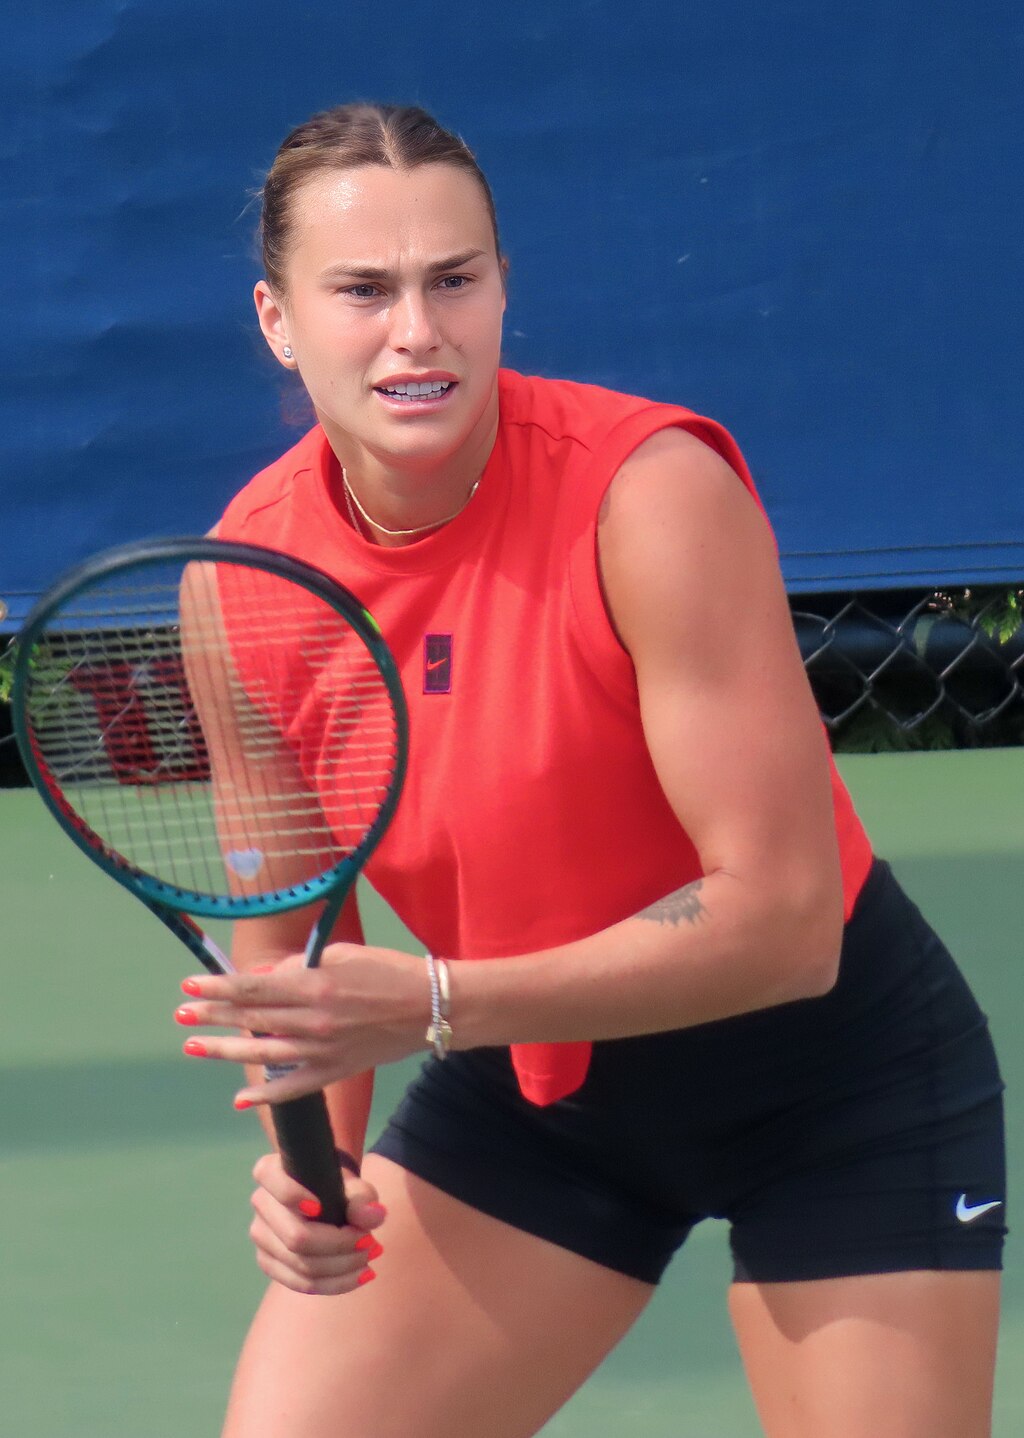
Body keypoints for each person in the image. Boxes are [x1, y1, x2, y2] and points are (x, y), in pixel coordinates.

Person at [174, 104, 1006, 1437]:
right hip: (537, 1097)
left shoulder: (651, 498)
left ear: (504, 288)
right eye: (363, 290)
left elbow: (786, 923)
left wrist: (438, 999)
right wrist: (311, 1162)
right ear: (278, 319)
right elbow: (301, 951)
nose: (416, 331)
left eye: (454, 279)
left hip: (836, 1089)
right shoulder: (243, 584)